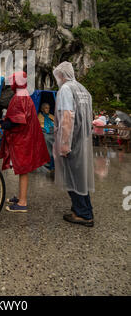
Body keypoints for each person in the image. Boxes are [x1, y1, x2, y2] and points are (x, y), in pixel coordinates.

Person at [0, 71, 50, 213]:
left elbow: (18, 120)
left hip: (22, 139)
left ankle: (22, 202)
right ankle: (20, 197)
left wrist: (2, 125)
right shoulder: (24, 94)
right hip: (24, 137)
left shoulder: (20, 96)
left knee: (23, 170)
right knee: (22, 170)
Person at [53, 61, 95, 227]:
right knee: (80, 177)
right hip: (81, 139)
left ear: (61, 75)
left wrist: (64, 144)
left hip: (71, 140)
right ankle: (84, 209)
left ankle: (83, 214)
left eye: (58, 76)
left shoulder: (65, 89)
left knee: (72, 177)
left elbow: (68, 117)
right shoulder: (83, 89)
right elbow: (88, 117)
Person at [38, 103, 55, 172]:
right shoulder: (39, 116)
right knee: (46, 139)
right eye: (45, 108)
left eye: (48, 108)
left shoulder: (51, 116)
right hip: (44, 132)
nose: (47, 109)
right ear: (42, 109)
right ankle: (47, 162)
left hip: (53, 131)